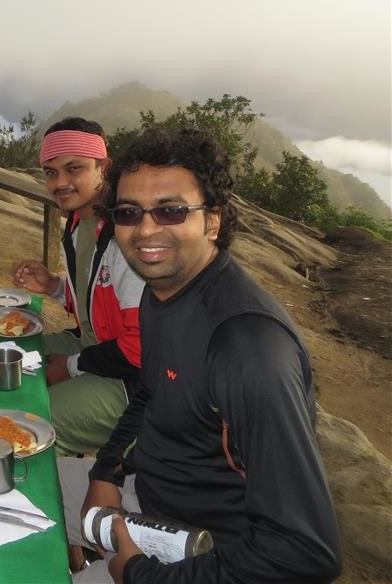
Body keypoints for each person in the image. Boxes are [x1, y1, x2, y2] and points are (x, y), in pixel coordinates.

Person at [59, 128, 341, 583]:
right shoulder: (161, 292)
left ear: (212, 221)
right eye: (130, 212)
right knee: (6, 493)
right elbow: (149, 393)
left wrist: (140, 573)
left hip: (205, 552)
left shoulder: (248, 347)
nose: (146, 229)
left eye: (170, 210)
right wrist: (107, 472)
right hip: (144, 494)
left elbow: (305, 551)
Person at [11, 118, 145, 456]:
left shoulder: (125, 236)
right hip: (94, 346)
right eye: (51, 172)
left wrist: (70, 367)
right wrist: (55, 286)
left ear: (104, 168)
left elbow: (140, 347)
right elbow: (97, 308)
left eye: (74, 168)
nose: (60, 183)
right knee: (4, 352)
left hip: (136, 381)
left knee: (27, 425)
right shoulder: (78, 224)